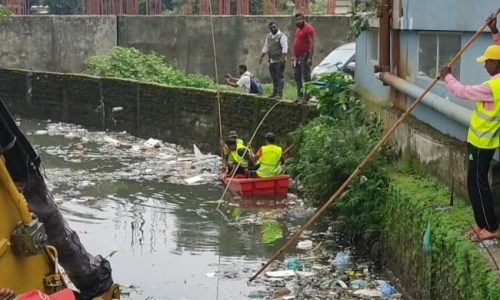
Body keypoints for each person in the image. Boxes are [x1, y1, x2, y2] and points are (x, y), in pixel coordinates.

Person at [439, 15, 500, 242]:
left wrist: (447, 77)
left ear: (496, 64)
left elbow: (463, 92)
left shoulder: (492, 86)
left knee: (478, 184)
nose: (485, 65)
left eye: (488, 62)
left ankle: (490, 227)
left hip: (482, 142)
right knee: (474, 182)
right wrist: (495, 31)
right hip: (482, 141)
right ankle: (481, 223)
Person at [259, 21, 288, 99]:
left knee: (279, 77)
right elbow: (266, 47)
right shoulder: (269, 36)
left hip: (279, 61)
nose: (273, 29)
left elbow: (285, 48)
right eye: (271, 28)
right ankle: (274, 92)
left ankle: (279, 93)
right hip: (272, 61)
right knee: (274, 78)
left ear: (277, 27)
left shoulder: (282, 36)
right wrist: (261, 56)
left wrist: (282, 59)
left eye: (274, 27)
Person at [292, 12, 315, 104]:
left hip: (305, 56)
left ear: (303, 19)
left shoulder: (309, 29)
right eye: (296, 20)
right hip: (297, 57)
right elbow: (295, 43)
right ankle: (300, 96)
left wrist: (310, 58)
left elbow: (312, 44)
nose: (298, 21)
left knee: (306, 77)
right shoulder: (297, 30)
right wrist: (293, 56)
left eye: (300, 19)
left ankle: (307, 97)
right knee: (297, 76)